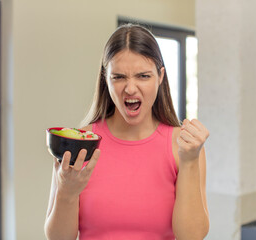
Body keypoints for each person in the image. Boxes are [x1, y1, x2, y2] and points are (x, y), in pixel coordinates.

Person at [44, 24, 210, 240]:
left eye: (143, 76)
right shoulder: (81, 143)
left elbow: (192, 237)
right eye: (119, 77)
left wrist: (189, 162)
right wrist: (66, 193)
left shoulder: (183, 146)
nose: (130, 89)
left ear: (160, 77)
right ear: (106, 78)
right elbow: (58, 238)